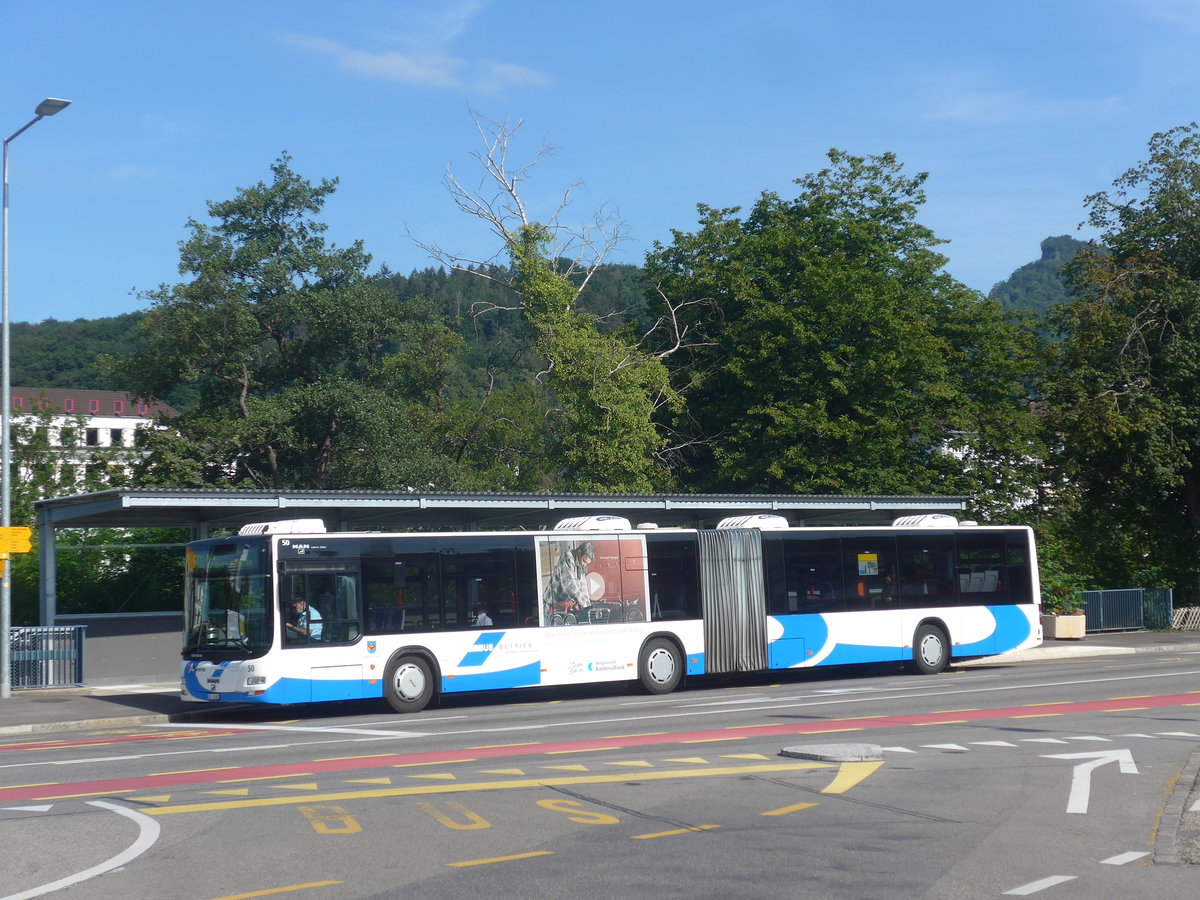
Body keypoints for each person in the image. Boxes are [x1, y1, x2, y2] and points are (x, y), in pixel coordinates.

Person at [546, 541, 595, 615]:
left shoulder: (581, 565)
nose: (585, 565)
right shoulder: (568, 557)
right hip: (552, 604)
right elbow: (570, 585)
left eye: (587, 563)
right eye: (584, 561)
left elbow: (583, 587)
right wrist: (584, 604)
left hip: (564, 606)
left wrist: (588, 606)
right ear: (579, 552)